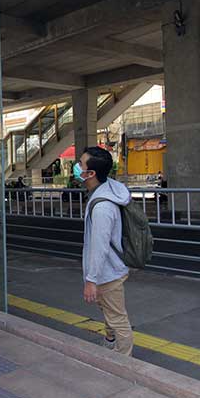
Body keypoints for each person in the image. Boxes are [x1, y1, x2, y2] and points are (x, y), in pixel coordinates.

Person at [76, 146, 134, 356]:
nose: (77, 167)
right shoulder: (106, 188)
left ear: (91, 174)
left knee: (118, 317)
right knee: (108, 308)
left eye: (80, 164)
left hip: (107, 272)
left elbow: (99, 247)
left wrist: (91, 280)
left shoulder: (102, 208)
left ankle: (124, 361)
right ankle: (110, 340)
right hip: (109, 269)